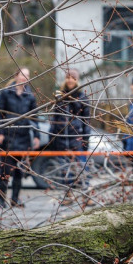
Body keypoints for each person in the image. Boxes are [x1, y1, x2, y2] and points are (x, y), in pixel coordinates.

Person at [0, 67, 40, 209]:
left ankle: (15, 199)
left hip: (23, 137)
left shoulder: (30, 96)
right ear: (16, 76)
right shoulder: (6, 93)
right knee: (5, 171)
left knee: (19, 171)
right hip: (8, 137)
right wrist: (0, 132)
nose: (25, 78)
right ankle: (1, 200)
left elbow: (35, 117)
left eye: (27, 76)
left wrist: (37, 136)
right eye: (23, 75)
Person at [49, 69, 91, 202]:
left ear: (77, 80)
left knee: (82, 168)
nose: (70, 80)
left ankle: (86, 194)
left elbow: (86, 121)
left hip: (76, 140)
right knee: (64, 169)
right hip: (62, 139)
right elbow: (55, 118)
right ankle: (68, 195)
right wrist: (52, 136)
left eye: (73, 78)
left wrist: (85, 140)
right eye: (68, 77)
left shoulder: (82, 97)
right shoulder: (59, 97)